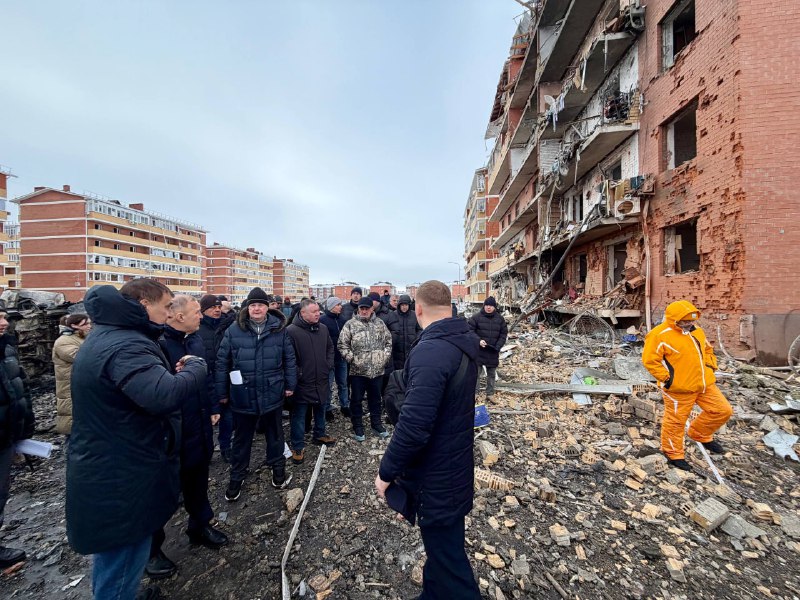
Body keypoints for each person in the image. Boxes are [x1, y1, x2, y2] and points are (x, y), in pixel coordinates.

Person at [66, 281, 207, 600]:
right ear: (145, 305)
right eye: (168, 305)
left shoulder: (111, 335)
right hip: (121, 472)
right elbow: (163, 395)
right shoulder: (127, 344)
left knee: (121, 554)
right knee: (123, 552)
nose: (171, 312)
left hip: (116, 458)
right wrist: (195, 370)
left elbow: (139, 388)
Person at [375, 280, 481, 599]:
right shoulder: (462, 339)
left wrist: (386, 473)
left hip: (438, 477)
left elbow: (414, 425)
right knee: (441, 552)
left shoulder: (432, 350)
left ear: (418, 308)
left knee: (450, 563)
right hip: (452, 466)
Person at [147, 296, 228, 579]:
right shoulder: (156, 345)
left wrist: (214, 407)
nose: (201, 317)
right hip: (170, 430)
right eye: (196, 312)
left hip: (199, 422)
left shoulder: (194, 341)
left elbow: (204, 376)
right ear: (178, 317)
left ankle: (199, 525)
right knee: (163, 491)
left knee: (198, 477)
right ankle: (152, 550)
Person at [216, 287, 297, 501]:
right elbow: (222, 362)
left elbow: (289, 359)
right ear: (248, 307)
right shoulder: (234, 330)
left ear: (267, 307)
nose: (257, 308)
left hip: (272, 391)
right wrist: (222, 392)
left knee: (275, 434)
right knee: (242, 438)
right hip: (243, 393)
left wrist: (290, 384)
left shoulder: (279, 329)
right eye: (253, 305)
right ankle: (237, 476)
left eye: (260, 304)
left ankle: (278, 469)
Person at [642, 300, 733, 471]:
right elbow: (650, 361)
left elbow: (707, 349)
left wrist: (710, 365)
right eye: (685, 321)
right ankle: (673, 453)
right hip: (679, 388)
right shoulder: (659, 335)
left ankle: (700, 433)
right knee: (676, 422)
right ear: (674, 319)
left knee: (723, 410)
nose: (689, 324)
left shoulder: (697, 331)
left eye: (691, 320)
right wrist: (668, 379)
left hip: (704, 384)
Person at [0, 303, 33, 569]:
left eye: (3, 317)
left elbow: (18, 389)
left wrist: (23, 429)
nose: (4, 323)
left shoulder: (7, 350)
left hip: (6, 435)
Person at [287, 300, 336, 464]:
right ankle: (298, 446)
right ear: (303, 313)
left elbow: (330, 348)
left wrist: (327, 364)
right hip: (303, 381)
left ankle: (319, 434)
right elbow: (288, 358)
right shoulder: (291, 331)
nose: (318, 314)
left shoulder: (322, 328)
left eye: (318, 311)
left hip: (321, 377)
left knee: (321, 408)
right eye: (314, 311)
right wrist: (298, 373)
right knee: (299, 415)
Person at [338, 296, 391, 441]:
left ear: (371, 309)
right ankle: (358, 426)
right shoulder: (350, 324)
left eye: (366, 308)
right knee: (356, 399)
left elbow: (388, 342)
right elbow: (342, 345)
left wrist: (383, 358)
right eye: (361, 308)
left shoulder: (380, 323)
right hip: (358, 372)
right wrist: (352, 359)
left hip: (377, 371)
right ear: (358, 309)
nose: (364, 311)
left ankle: (376, 424)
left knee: (375, 399)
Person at [198, 294, 236, 463]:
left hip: (224, 378)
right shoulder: (197, 328)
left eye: (219, 307)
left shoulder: (228, 326)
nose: (217, 310)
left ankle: (226, 447)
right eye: (212, 307)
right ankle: (205, 451)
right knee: (206, 419)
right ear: (203, 310)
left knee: (227, 417)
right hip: (204, 380)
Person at [52, 313, 91, 438]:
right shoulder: (63, 342)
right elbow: (82, 358)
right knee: (72, 423)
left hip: (80, 387)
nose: (89, 326)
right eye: (85, 324)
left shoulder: (82, 338)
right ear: (74, 326)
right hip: (70, 389)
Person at [467, 297, 507, 401]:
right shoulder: (476, 317)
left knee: (491, 374)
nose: (489, 307)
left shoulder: (500, 319)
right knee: (476, 374)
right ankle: (474, 393)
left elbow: (503, 334)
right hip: (479, 350)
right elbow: (469, 331)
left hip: (492, 351)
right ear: (484, 305)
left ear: (494, 307)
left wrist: (498, 347)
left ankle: (490, 394)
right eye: (487, 305)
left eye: (491, 305)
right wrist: (478, 340)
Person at [320, 297, 349, 418]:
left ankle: (345, 405)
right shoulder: (322, 320)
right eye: (338, 304)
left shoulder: (342, 320)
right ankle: (327, 408)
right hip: (329, 359)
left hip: (341, 358)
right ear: (332, 306)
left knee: (343, 383)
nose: (340, 307)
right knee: (329, 385)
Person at [385, 295, 422, 371]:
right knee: (398, 373)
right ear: (399, 305)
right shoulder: (393, 315)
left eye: (406, 305)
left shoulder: (414, 315)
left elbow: (419, 329)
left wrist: (416, 339)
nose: (404, 307)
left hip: (411, 349)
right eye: (402, 305)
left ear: (409, 305)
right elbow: (388, 330)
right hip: (397, 350)